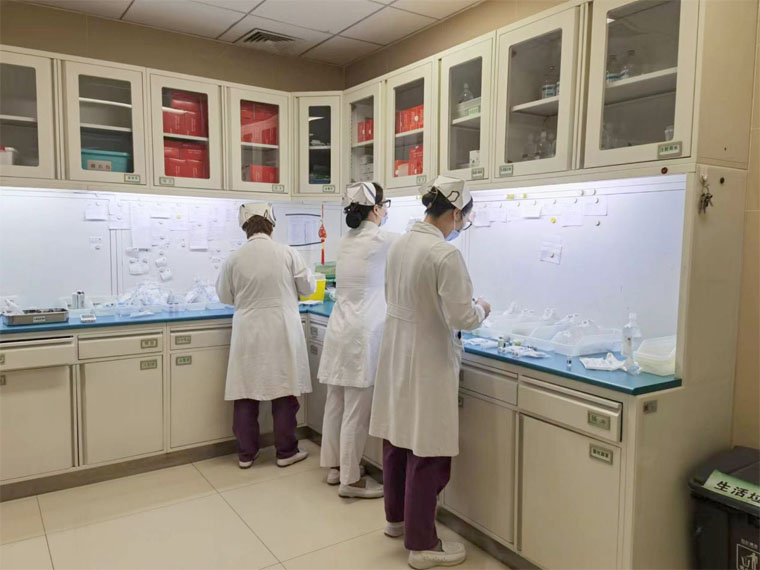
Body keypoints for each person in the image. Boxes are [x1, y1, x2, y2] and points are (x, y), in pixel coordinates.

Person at [369, 175, 491, 570]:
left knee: (398, 437)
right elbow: (462, 316)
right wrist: (483, 308)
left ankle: (396, 519)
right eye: (463, 218)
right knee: (429, 449)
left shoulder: (400, 244)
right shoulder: (444, 254)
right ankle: (422, 544)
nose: (461, 225)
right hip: (428, 361)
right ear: (455, 212)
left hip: (398, 354)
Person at [216, 202, 316, 470]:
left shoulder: (234, 259)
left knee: (245, 392)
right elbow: (307, 288)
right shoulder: (287, 252)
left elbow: (224, 296)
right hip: (281, 328)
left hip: (248, 330)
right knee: (284, 391)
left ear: (244, 227)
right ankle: (286, 452)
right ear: (271, 224)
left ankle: (246, 454)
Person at [318, 182, 398, 499]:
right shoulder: (382, 240)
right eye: (385, 204)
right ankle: (350, 481)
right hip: (361, 333)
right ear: (376, 208)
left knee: (335, 403)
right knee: (356, 411)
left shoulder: (345, 241)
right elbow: (420, 247)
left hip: (339, 328)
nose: (387, 210)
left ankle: (335, 467)